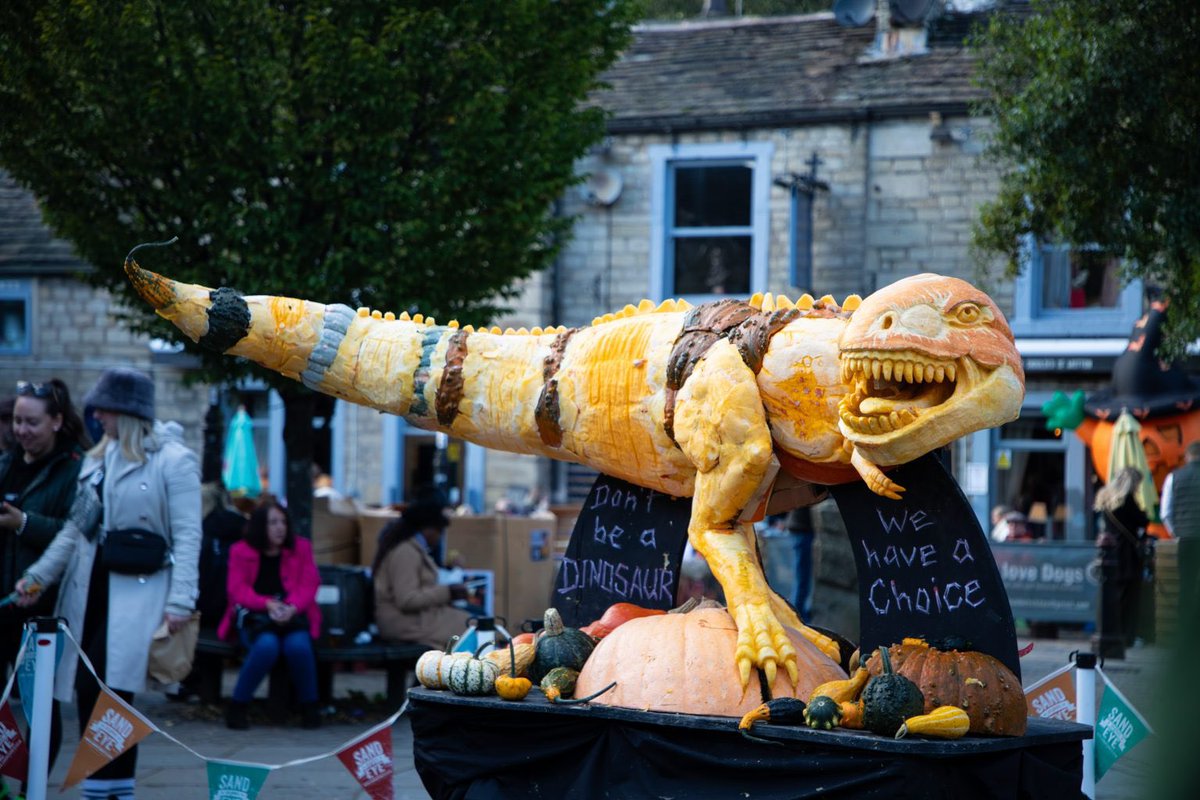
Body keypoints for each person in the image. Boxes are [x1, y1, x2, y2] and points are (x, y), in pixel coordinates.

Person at [16, 367, 201, 800]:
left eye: (105, 408)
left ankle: (106, 788)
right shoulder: (98, 460)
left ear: (128, 411)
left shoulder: (174, 460)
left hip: (139, 593)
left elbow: (189, 534)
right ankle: (110, 788)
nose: (97, 415)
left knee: (113, 694)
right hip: (91, 590)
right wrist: (38, 577)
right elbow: (75, 529)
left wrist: (181, 601)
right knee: (91, 689)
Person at [0, 379, 91, 776]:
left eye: (31, 422)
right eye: (17, 421)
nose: (21, 430)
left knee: (40, 705)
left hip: (43, 607)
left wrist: (24, 522)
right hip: (3, 600)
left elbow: (74, 536)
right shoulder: (6, 462)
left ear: (56, 421)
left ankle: (32, 787)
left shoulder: (77, 468)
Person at [217, 500, 322, 730]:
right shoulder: (240, 551)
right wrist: (267, 604)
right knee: (267, 646)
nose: (280, 527)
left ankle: (310, 707)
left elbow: (309, 584)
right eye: (273, 522)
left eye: (283, 522)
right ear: (259, 526)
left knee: (298, 647)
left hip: (294, 616)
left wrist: (291, 607)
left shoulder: (301, 547)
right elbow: (237, 590)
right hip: (256, 618)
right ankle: (238, 706)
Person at [372, 502, 473, 649]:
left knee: (474, 623)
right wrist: (448, 592)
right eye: (440, 532)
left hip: (416, 619)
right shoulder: (405, 552)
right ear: (429, 530)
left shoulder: (410, 548)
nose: (439, 538)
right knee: (475, 628)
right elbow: (407, 600)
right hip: (406, 622)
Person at [1095, 467, 1150, 647]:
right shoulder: (1128, 500)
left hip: (1111, 553)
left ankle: (1113, 633)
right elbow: (1143, 520)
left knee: (1113, 596)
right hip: (1128, 554)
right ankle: (1127, 636)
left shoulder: (1106, 498)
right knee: (1129, 598)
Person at [1162, 442, 1200, 538]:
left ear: (1186, 457)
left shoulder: (1172, 477)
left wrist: (1175, 534)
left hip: (1184, 535)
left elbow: (1165, 513)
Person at [786, 506, 816, 620]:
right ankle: (797, 617)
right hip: (801, 530)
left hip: (800, 529)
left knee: (802, 578)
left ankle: (798, 614)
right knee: (801, 579)